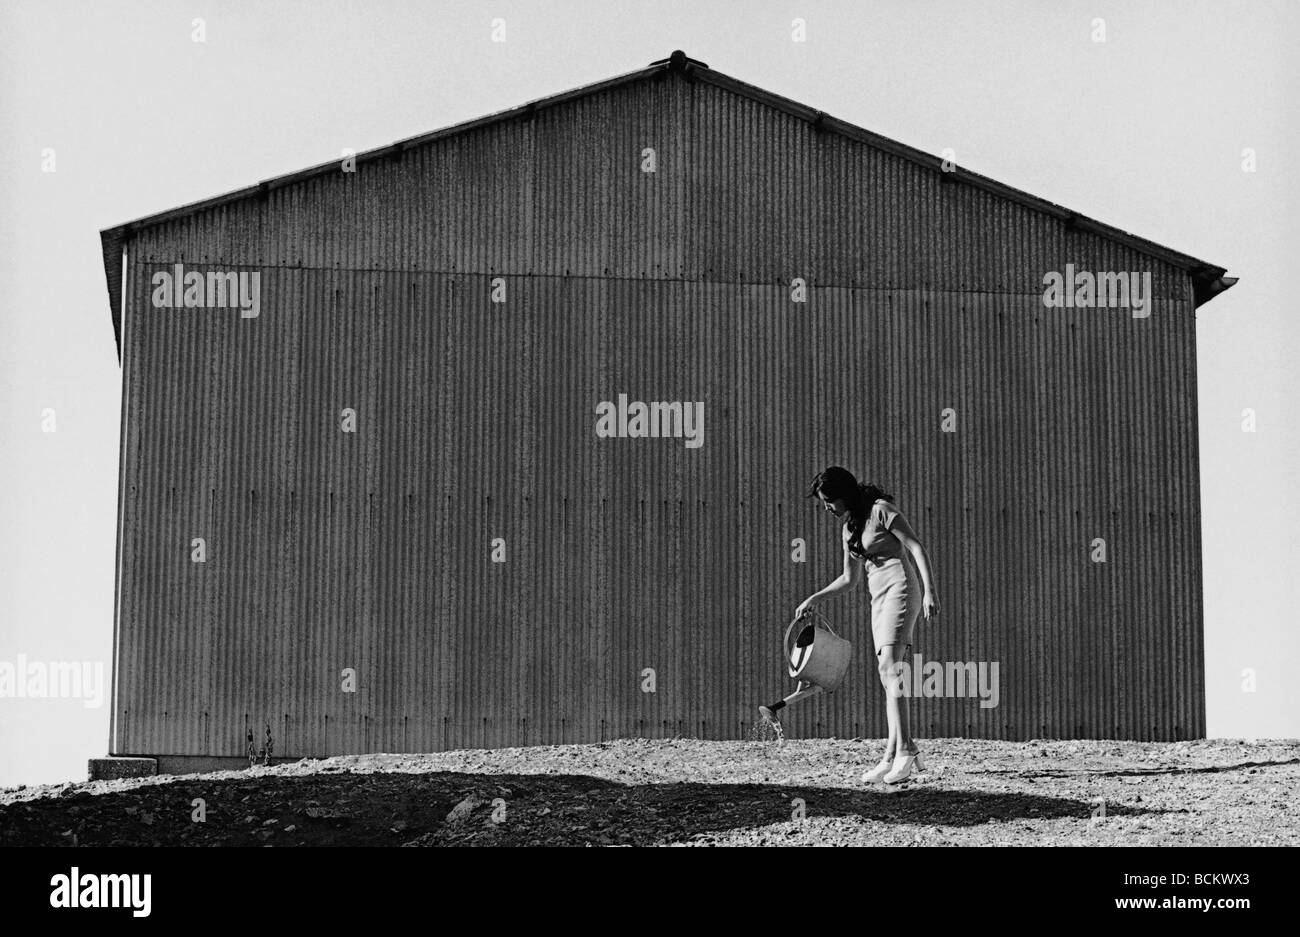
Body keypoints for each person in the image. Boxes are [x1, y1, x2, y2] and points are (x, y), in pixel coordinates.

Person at [763, 466, 940, 783]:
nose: (827, 508)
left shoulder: (881, 510)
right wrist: (814, 598)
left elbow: (915, 546)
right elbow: (849, 579)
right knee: (888, 676)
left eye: (829, 501)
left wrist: (930, 591)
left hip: (902, 590)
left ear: (843, 495)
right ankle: (890, 755)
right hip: (878, 600)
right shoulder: (849, 529)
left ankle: (908, 751)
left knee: (890, 669)